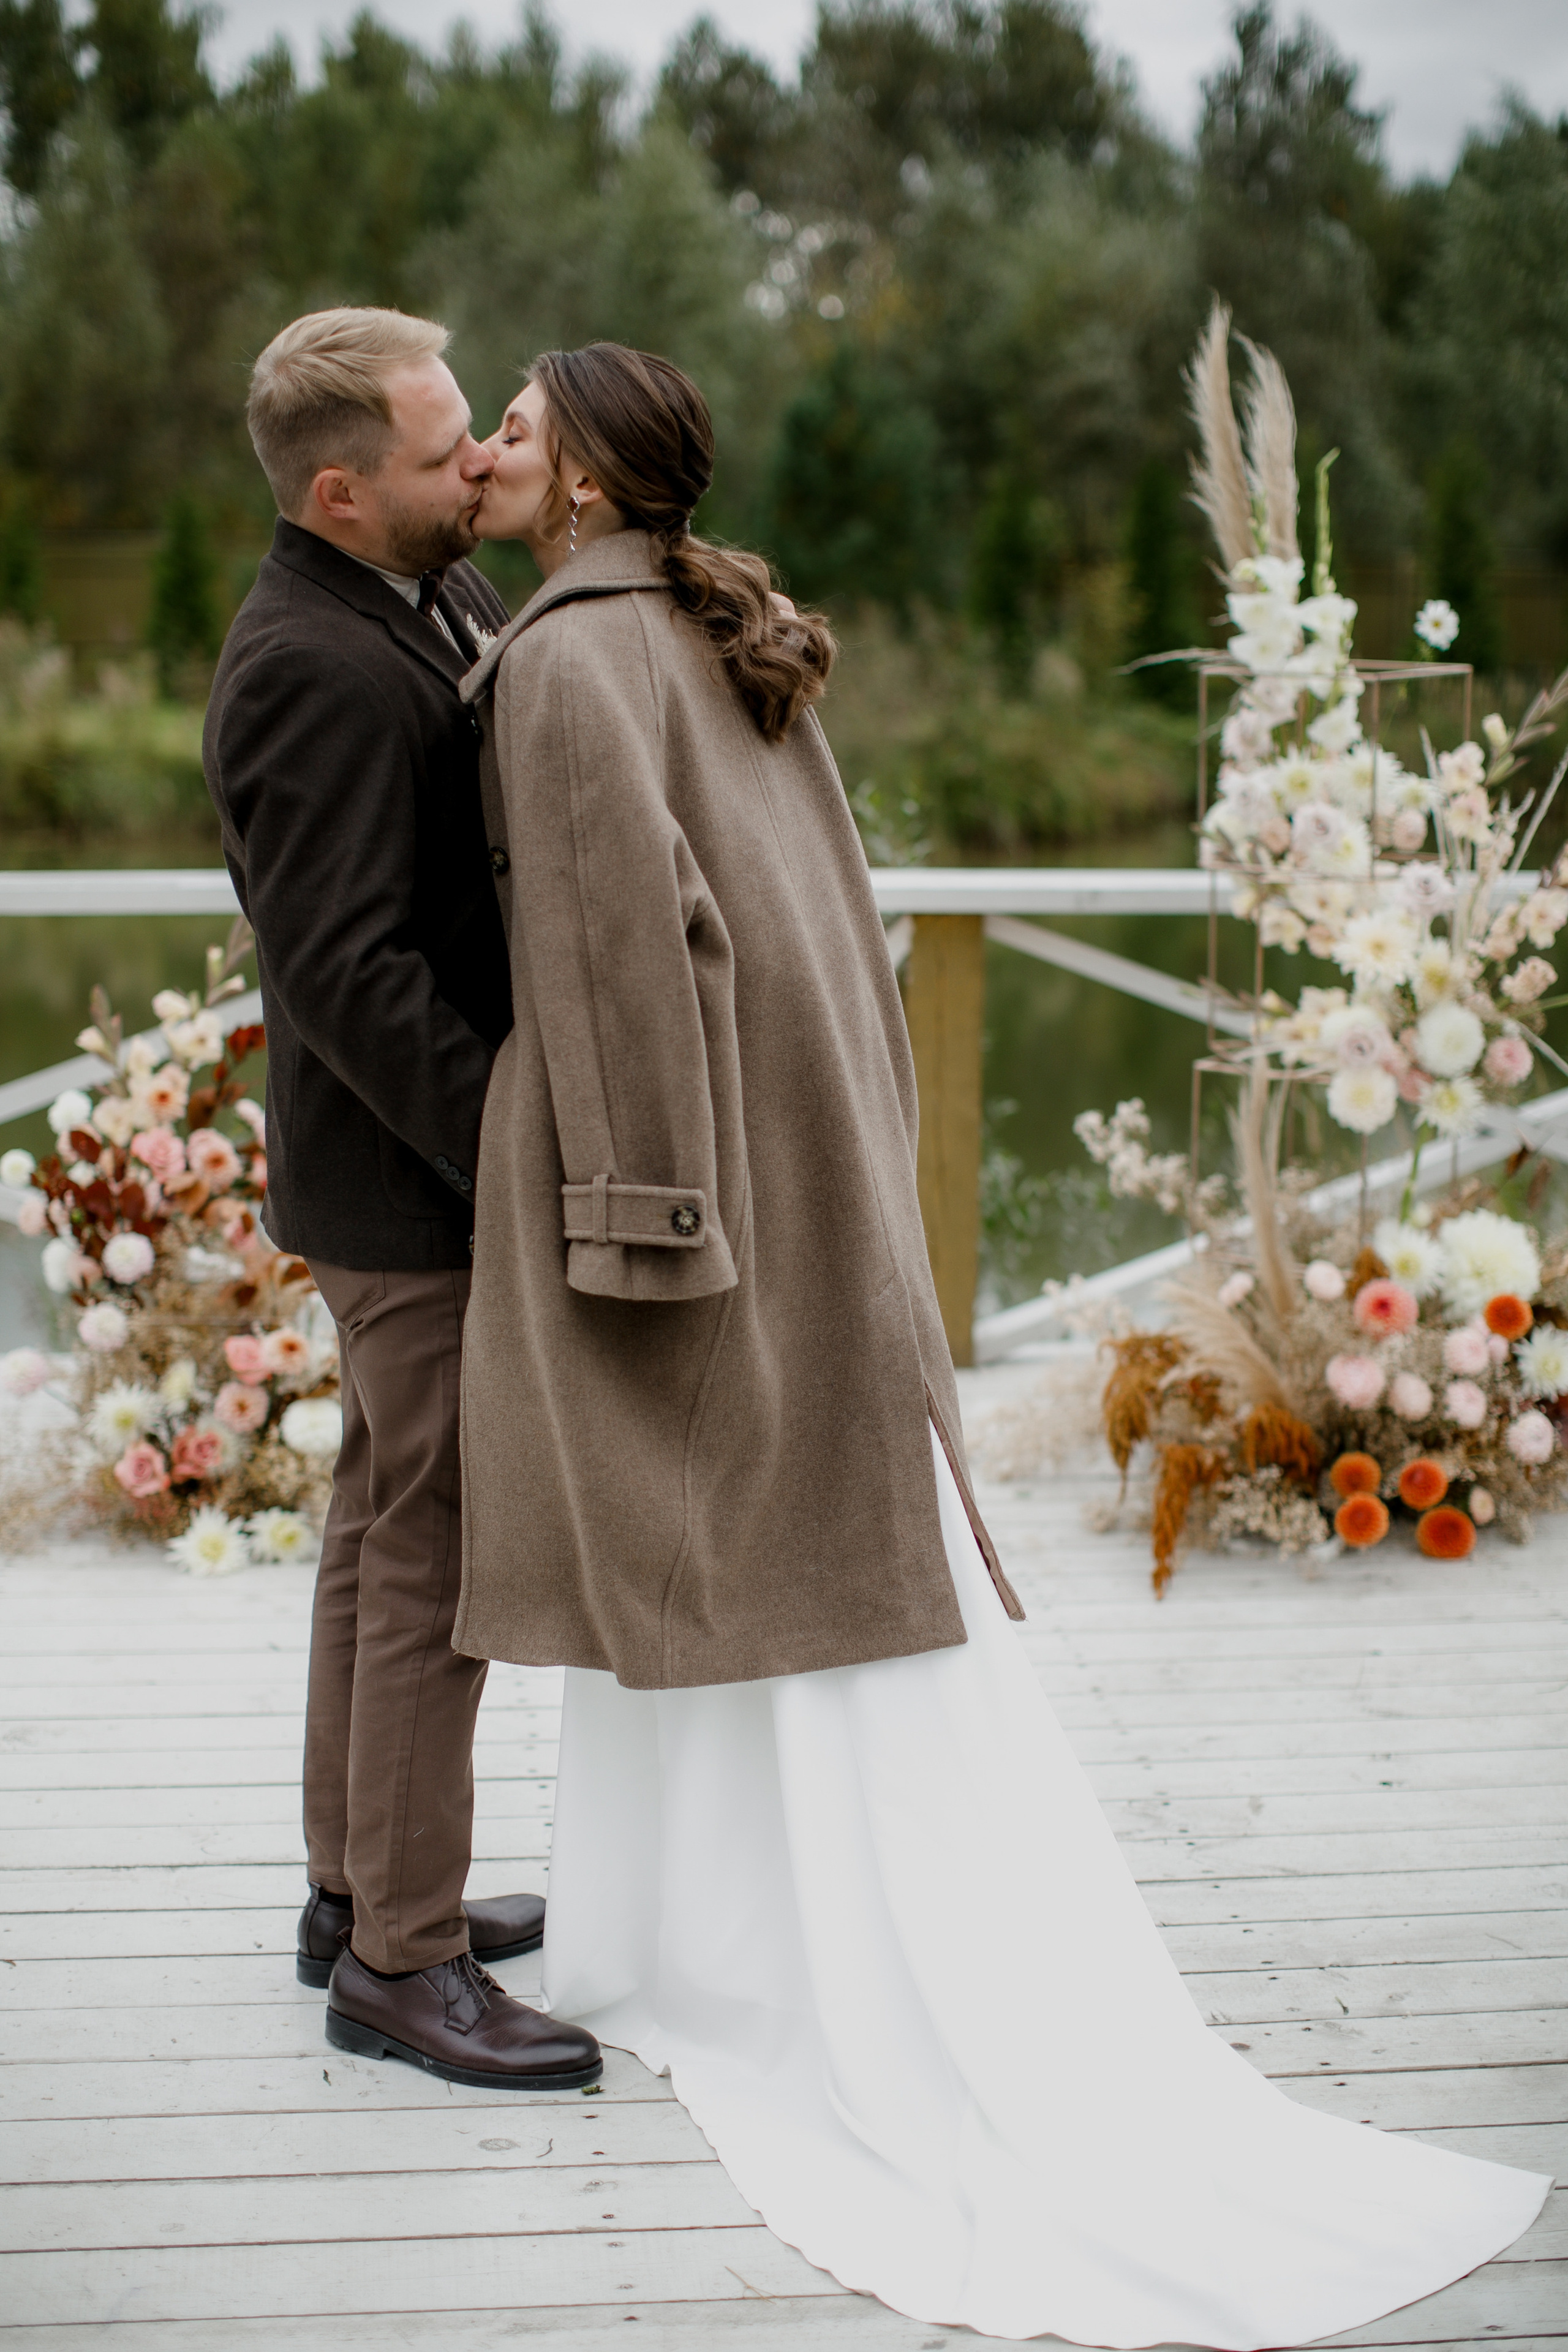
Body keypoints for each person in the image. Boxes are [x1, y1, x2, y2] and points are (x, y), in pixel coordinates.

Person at [455, 339, 1550, 2345]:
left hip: (698, 1193)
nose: (487, 451)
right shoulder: (717, 633)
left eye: (517, 426)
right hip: (814, 1174)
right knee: (779, 1551)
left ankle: (750, 1967)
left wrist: (629, 1223)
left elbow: (626, 959)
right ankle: (715, 1938)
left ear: (594, 479)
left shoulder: (565, 661)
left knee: (712, 1539)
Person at [202, 305, 600, 2092]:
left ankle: (353, 1889)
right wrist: (511, 1142)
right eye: (448, 456)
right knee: (437, 1567)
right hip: (414, 1188)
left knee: (380, 1532)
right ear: (343, 490)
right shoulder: (308, 662)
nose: (481, 471)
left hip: (411, 1185)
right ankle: (405, 1962)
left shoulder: (422, 590)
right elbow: (347, 971)